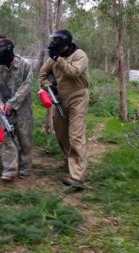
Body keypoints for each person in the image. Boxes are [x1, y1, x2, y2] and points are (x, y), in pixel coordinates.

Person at [38, 29, 89, 189]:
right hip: (60, 99)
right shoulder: (54, 58)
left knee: (76, 135)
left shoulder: (80, 55)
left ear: (65, 43)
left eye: (56, 41)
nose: (53, 44)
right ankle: (71, 161)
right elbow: (42, 75)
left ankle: (77, 177)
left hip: (78, 98)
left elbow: (74, 72)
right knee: (61, 134)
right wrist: (49, 86)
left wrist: (58, 60)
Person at [0, 37, 33, 181]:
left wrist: (12, 104)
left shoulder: (25, 65)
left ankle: (25, 166)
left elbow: (26, 86)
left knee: (24, 138)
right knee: (7, 138)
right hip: (4, 110)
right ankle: (10, 169)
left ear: (9, 51)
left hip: (22, 109)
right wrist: (1, 104)